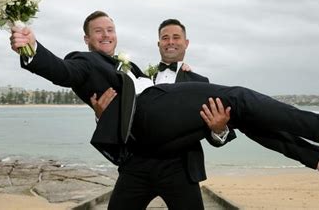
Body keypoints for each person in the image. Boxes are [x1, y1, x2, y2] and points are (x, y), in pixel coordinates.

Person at [10, 10, 319, 181]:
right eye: (98, 32)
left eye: (111, 30)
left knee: (243, 113)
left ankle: (317, 158)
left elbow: (220, 137)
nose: (106, 35)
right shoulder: (86, 62)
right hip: (144, 140)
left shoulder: (135, 70)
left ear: (185, 44)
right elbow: (63, 72)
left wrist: (218, 129)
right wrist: (32, 49)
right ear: (86, 39)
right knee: (241, 97)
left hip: (176, 156)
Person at [99, 18, 235, 209]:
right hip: (137, 164)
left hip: (181, 166)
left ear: (186, 43)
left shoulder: (201, 82)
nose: (170, 41)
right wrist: (101, 115)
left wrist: (219, 129)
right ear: (159, 43)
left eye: (176, 37)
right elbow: (122, 117)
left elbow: (212, 133)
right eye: (165, 38)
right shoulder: (139, 78)